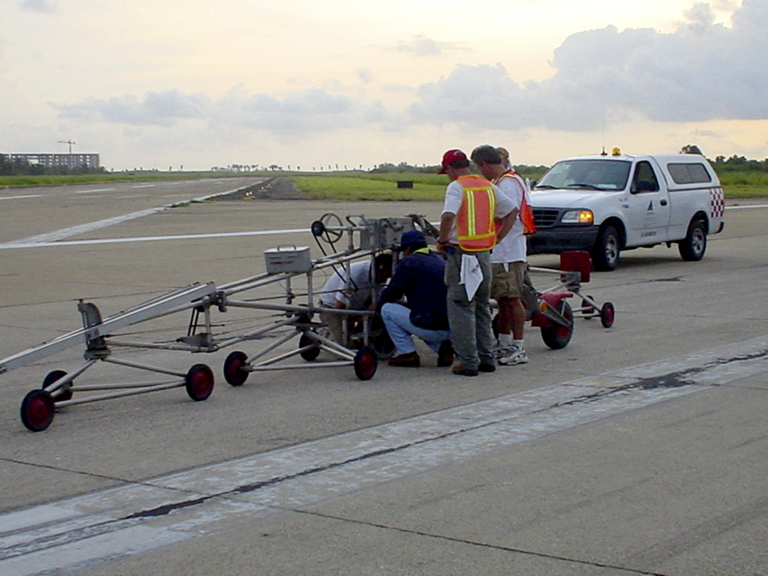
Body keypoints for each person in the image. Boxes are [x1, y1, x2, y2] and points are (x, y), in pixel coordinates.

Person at [435, 149, 515, 377]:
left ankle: (467, 361)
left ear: (451, 168)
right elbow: (511, 210)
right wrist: (498, 238)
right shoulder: (487, 185)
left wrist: (442, 240)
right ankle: (487, 358)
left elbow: (448, 215)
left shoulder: (457, 186)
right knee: (481, 307)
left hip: (462, 255)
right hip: (483, 254)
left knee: (461, 307)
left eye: (447, 171)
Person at [471, 145, 528, 365]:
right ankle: (504, 343)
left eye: (479, 167)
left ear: (485, 164)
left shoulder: (507, 183)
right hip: (503, 253)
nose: (479, 171)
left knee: (513, 299)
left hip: (508, 253)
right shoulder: (503, 181)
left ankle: (519, 347)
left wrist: (496, 240)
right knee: (503, 300)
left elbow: (511, 214)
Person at [376, 230, 453, 368]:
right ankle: (443, 348)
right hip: (450, 326)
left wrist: (376, 309)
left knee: (387, 310)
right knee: (424, 311)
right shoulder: (439, 260)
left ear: (408, 248)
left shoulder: (409, 262)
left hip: (430, 325)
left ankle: (407, 354)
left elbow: (393, 293)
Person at [319, 254, 392, 346]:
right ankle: (323, 332)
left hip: (356, 305)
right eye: (385, 276)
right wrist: (358, 318)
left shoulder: (378, 276)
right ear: (378, 269)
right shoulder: (353, 275)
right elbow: (339, 307)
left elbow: (374, 300)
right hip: (333, 308)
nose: (385, 280)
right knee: (345, 348)